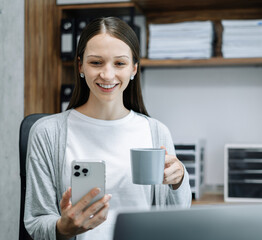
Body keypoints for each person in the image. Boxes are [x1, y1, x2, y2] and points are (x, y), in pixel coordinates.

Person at [24, 17, 192, 240]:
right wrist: (63, 228)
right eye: (96, 62)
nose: (107, 74)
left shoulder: (157, 132)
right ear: (80, 65)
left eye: (119, 63)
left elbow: (177, 218)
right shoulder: (46, 133)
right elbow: (36, 222)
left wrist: (178, 181)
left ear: (134, 69)